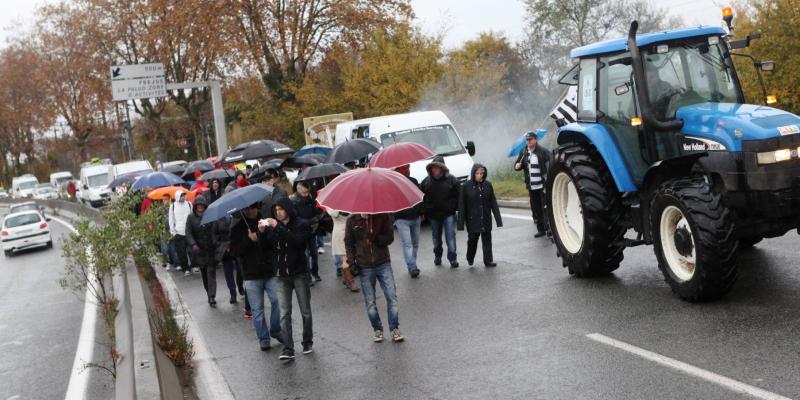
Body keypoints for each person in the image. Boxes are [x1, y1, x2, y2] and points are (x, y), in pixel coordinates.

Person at [261, 198, 314, 361]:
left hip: (299, 273)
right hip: (282, 275)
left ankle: (307, 342)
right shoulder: (274, 227)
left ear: (288, 209)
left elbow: (297, 242)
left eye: (281, 209)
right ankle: (288, 347)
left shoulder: (301, 224)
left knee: (305, 310)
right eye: (276, 210)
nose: (278, 212)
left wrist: (279, 228)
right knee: (284, 313)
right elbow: (266, 249)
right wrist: (262, 233)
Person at [344, 212, 404, 343]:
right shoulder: (352, 221)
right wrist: (352, 262)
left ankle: (394, 328)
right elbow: (349, 243)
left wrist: (377, 238)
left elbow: (390, 238)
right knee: (370, 301)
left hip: (383, 262)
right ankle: (377, 329)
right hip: (364, 265)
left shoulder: (383, 216)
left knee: (391, 296)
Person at [232, 203, 283, 351]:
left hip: (269, 270)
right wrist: (249, 240)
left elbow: (274, 243)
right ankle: (263, 338)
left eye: (253, 208)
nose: (250, 210)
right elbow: (235, 251)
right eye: (247, 208)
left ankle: (276, 329)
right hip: (251, 274)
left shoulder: (266, 222)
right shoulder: (237, 228)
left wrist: (259, 237)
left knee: (277, 301)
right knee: (257, 309)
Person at [457, 164, 503, 267]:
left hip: (486, 218)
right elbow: (462, 206)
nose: (480, 175)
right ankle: (470, 257)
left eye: (481, 173)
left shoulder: (488, 185)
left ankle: (488, 260)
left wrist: (498, 220)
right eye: (477, 173)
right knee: (472, 240)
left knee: (487, 240)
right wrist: (460, 224)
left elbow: (493, 203)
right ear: (473, 174)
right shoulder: (465, 187)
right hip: (472, 220)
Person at [420, 156, 460, 268]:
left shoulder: (452, 180)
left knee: (450, 236)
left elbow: (459, 195)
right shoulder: (426, 182)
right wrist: (424, 210)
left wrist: (455, 207)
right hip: (433, 215)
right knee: (436, 238)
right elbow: (420, 197)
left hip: (449, 214)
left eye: (437, 168)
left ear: (442, 168)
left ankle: (453, 259)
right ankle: (438, 255)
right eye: (433, 168)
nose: (435, 170)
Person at [514, 130, 551, 237]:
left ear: (536, 140)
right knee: (536, 209)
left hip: (542, 185)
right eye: (527, 140)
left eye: (530, 139)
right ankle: (541, 230)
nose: (528, 142)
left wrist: (548, 180)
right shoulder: (523, 152)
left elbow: (550, 165)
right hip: (531, 186)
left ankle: (549, 229)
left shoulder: (543, 151)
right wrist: (517, 166)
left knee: (545, 207)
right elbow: (517, 164)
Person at [185, 197, 217, 305]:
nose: (200, 207)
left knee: (211, 272)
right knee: (204, 273)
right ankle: (209, 292)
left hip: (210, 249)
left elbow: (215, 230)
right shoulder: (190, 218)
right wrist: (193, 244)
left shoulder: (209, 216)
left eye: (202, 205)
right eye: (198, 205)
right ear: (195, 206)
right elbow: (188, 233)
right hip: (199, 250)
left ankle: (212, 296)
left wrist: (215, 241)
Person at [393, 164, 423, 277]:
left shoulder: (413, 181)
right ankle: (412, 266)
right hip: (401, 219)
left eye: (408, 168)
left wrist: (421, 212)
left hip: (415, 217)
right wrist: (394, 216)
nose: (407, 170)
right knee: (407, 244)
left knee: (415, 244)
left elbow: (420, 198)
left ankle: (412, 264)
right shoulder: (393, 185)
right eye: (404, 169)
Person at [291, 182, 323, 282]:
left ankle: (315, 272)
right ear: (298, 191)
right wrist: (309, 221)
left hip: (311, 231)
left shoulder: (310, 198)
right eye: (304, 192)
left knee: (314, 254)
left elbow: (316, 211)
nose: (306, 194)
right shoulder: (293, 201)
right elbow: (295, 218)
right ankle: (308, 276)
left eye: (307, 192)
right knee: (305, 255)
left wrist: (318, 216)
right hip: (301, 232)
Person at [327, 208, 360, 292]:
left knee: (351, 257)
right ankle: (351, 282)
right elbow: (333, 214)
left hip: (351, 232)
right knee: (345, 259)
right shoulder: (331, 205)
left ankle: (345, 278)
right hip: (339, 234)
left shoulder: (349, 201)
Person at [168, 190, 193, 273]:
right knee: (181, 252)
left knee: (192, 250)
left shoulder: (189, 204)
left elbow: (192, 216)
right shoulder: (173, 206)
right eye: (181, 195)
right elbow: (171, 220)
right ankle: (185, 268)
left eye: (184, 195)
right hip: (179, 232)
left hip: (189, 232)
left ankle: (194, 265)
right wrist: (173, 232)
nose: (183, 197)